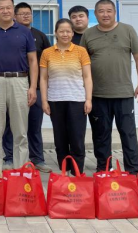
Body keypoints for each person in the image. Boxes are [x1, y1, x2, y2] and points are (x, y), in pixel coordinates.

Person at [80, 0, 138, 175]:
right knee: (101, 136)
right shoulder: (88, 34)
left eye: (109, 11)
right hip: (98, 95)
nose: (105, 14)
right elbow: (82, 63)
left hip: (123, 94)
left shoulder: (127, 30)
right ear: (95, 14)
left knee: (128, 135)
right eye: (101, 11)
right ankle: (104, 170)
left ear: (115, 12)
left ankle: (134, 173)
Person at [0, 0, 38, 170]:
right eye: (1, 8)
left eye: (8, 7)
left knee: (20, 131)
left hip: (19, 81)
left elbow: (33, 61)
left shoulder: (25, 32)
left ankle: (20, 171)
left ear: (13, 9)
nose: (5, 11)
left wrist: (33, 87)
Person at [2, 2, 52, 173]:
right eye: (22, 13)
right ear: (15, 16)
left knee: (34, 126)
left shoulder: (40, 36)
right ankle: (10, 158)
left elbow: (47, 62)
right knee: (11, 125)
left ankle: (37, 159)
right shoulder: (8, 34)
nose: (26, 16)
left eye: (28, 13)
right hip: (12, 85)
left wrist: (42, 87)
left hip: (35, 87)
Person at [40, 18, 93, 173]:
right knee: (60, 140)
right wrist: (44, 100)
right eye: (61, 31)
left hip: (77, 100)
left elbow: (87, 77)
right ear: (56, 33)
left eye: (68, 31)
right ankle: (64, 173)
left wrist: (88, 99)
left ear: (72, 33)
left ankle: (77, 174)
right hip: (55, 100)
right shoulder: (47, 52)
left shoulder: (81, 51)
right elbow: (43, 78)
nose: (65, 34)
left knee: (77, 139)